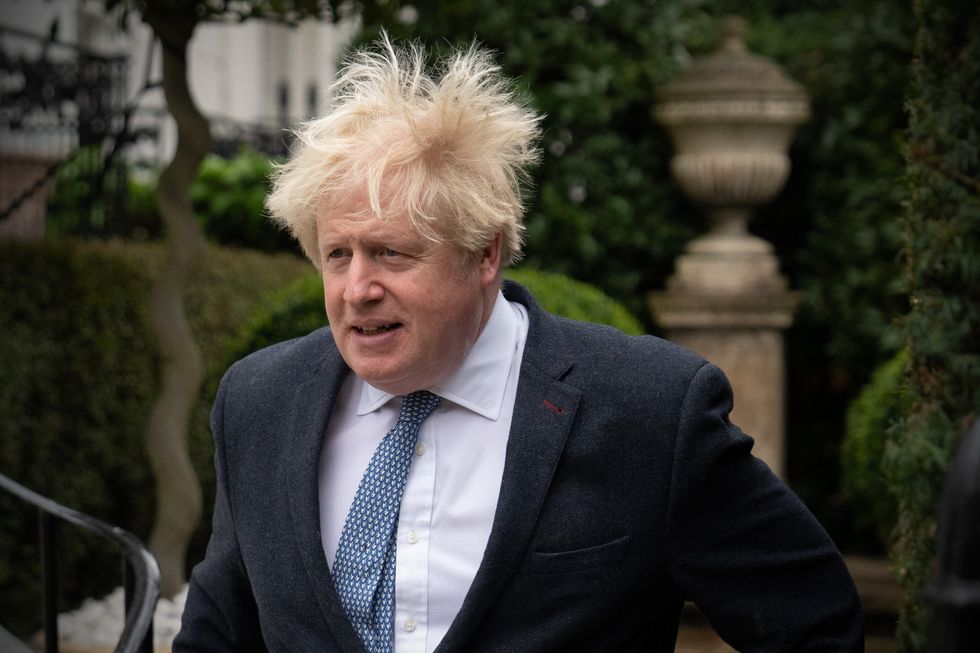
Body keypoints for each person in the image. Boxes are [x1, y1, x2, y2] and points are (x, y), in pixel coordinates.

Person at [174, 35, 863, 653]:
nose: (356, 287)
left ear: (486, 254)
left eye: (389, 253)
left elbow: (814, 621)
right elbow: (217, 634)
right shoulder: (258, 403)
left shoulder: (650, 412)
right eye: (337, 254)